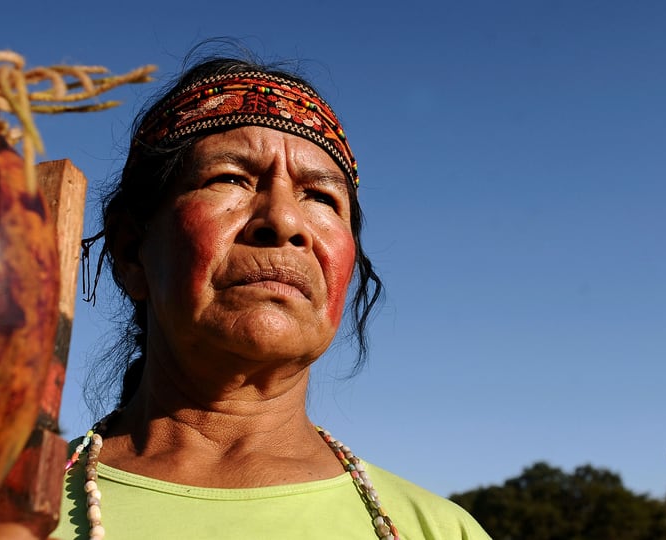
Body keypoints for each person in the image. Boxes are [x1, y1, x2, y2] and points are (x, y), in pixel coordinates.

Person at [53, 51, 491, 540]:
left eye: (322, 197)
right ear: (132, 251)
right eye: (229, 179)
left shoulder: (438, 531)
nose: (283, 221)